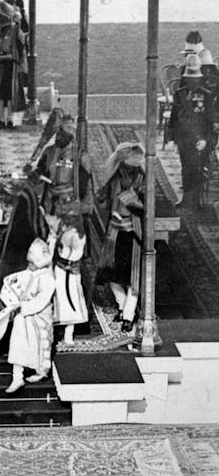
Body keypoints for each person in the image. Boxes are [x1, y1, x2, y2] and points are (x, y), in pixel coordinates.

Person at [96, 142, 145, 331]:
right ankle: (123, 305)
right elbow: (103, 197)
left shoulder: (142, 176)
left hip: (133, 232)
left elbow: (143, 204)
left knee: (132, 277)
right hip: (115, 232)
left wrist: (132, 202)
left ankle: (128, 315)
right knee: (111, 273)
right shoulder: (117, 175)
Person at [0, 238, 56, 393]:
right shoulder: (30, 272)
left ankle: (41, 372)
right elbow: (22, 278)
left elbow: (42, 300)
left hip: (38, 318)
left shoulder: (48, 279)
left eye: (32, 263)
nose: (29, 265)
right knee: (18, 343)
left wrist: (24, 306)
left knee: (39, 347)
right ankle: (17, 377)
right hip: (23, 316)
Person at [168, 53, 219, 212]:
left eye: (195, 78)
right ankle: (186, 199)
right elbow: (174, 118)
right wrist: (173, 139)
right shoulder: (179, 94)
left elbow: (211, 122)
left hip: (201, 139)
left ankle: (195, 200)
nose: (192, 81)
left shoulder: (206, 95)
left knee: (197, 169)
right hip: (184, 138)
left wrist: (206, 140)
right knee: (185, 168)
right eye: (190, 78)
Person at [30, 115, 92, 216]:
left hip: (69, 202)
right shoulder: (49, 151)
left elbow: (83, 183)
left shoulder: (81, 156)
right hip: (50, 200)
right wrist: (36, 174)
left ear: (70, 137)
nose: (57, 138)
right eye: (57, 135)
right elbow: (41, 170)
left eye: (62, 136)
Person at [47, 201, 88, 345]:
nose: (66, 220)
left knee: (72, 301)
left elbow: (74, 254)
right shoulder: (63, 227)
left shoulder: (78, 235)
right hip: (59, 269)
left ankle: (68, 334)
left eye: (69, 218)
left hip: (70, 272)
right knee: (57, 299)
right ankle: (56, 331)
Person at [0, 0, 27, 129]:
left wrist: (12, 57)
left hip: (11, 66)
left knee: (10, 94)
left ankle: (10, 119)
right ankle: (1, 119)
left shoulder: (15, 30)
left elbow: (21, 49)